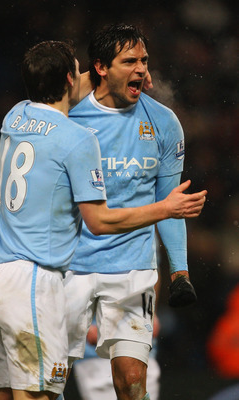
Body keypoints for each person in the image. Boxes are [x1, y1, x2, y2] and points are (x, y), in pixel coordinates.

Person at [0, 39, 207, 400]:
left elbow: (56, 85)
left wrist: (123, 73)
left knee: (1, 395)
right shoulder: (76, 138)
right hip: (31, 281)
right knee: (39, 396)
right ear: (70, 77)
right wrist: (165, 209)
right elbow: (98, 221)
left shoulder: (15, 116)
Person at [65, 23, 204, 400]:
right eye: (129, 61)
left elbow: (170, 204)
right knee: (49, 379)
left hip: (132, 270)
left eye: (144, 60)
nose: (142, 69)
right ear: (100, 67)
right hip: (68, 267)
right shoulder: (67, 115)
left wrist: (179, 271)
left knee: (131, 382)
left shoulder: (164, 123)